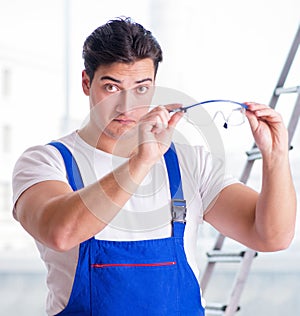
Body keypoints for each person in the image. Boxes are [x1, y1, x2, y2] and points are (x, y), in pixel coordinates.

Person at [12, 17, 296, 316]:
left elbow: (271, 237)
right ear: (87, 83)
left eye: (141, 88)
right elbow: (62, 232)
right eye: (111, 87)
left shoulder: (190, 162)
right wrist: (142, 160)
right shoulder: (46, 162)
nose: (126, 106)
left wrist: (276, 157)